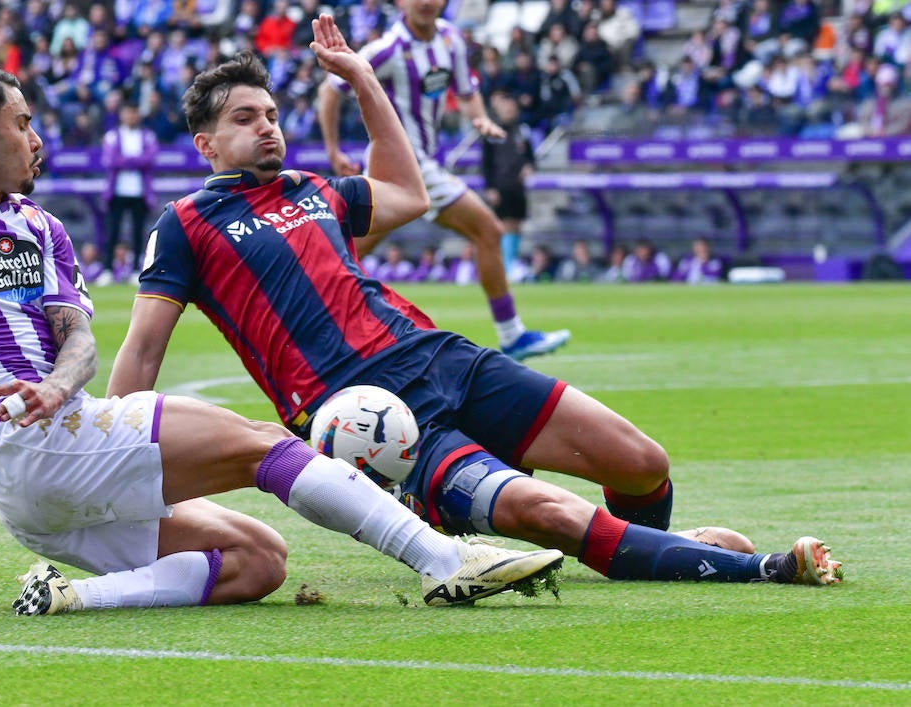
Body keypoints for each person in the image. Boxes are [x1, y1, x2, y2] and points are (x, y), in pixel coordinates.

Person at [0, 62, 565, 617]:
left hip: (51, 460)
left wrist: (60, 383)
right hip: (28, 452)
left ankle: (74, 595)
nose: (36, 136)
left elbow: (76, 336)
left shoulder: (40, 227)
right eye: (22, 122)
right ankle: (443, 560)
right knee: (261, 441)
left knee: (258, 561)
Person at [110, 31, 841, 589]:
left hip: (440, 355)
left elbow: (407, 192)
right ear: (206, 144)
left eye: (271, 113)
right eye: (245, 118)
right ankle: (767, 569)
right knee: (547, 513)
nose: (267, 126)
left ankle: (661, 550)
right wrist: (112, 458)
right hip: (366, 414)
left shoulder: (313, 188)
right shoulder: (185, 224)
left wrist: (364, 78)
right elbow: (143, 351)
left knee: (643, 462)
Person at [317, 0, 569, 362]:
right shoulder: (387, 50)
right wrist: (332, 150)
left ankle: (312, 325)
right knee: (488, 229)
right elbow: (330, 90)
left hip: (422, 167)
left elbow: (467, 92)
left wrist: (479, 118)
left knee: (345, 254)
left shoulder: (450, 39)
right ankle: (512, 335)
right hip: (404, 165)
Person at [480, 91, 536, 275]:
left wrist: (529, 166)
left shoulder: (523, 132)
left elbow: (531, 157)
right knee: (502, 225)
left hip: (517, 186)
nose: (510, 111)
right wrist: (490, 187)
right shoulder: (492, 132)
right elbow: (486, 163)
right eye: (506, 108)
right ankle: (504, 265)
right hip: (500, 185)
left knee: (516, 224)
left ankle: (510, 263)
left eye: (512, 108)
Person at [100, 100, 159, 269]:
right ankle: (107, 269)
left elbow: (150, 159)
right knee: (112, 231)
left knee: (138, 232)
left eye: (134, 112)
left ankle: (135, 269)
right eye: (128, 112)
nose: (131, 116)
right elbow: (111, 160)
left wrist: (125, 160)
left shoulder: (147, 136)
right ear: (122, 115)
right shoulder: (113, 136)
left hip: (140, 192)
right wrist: (135, 161)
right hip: (117, 191)